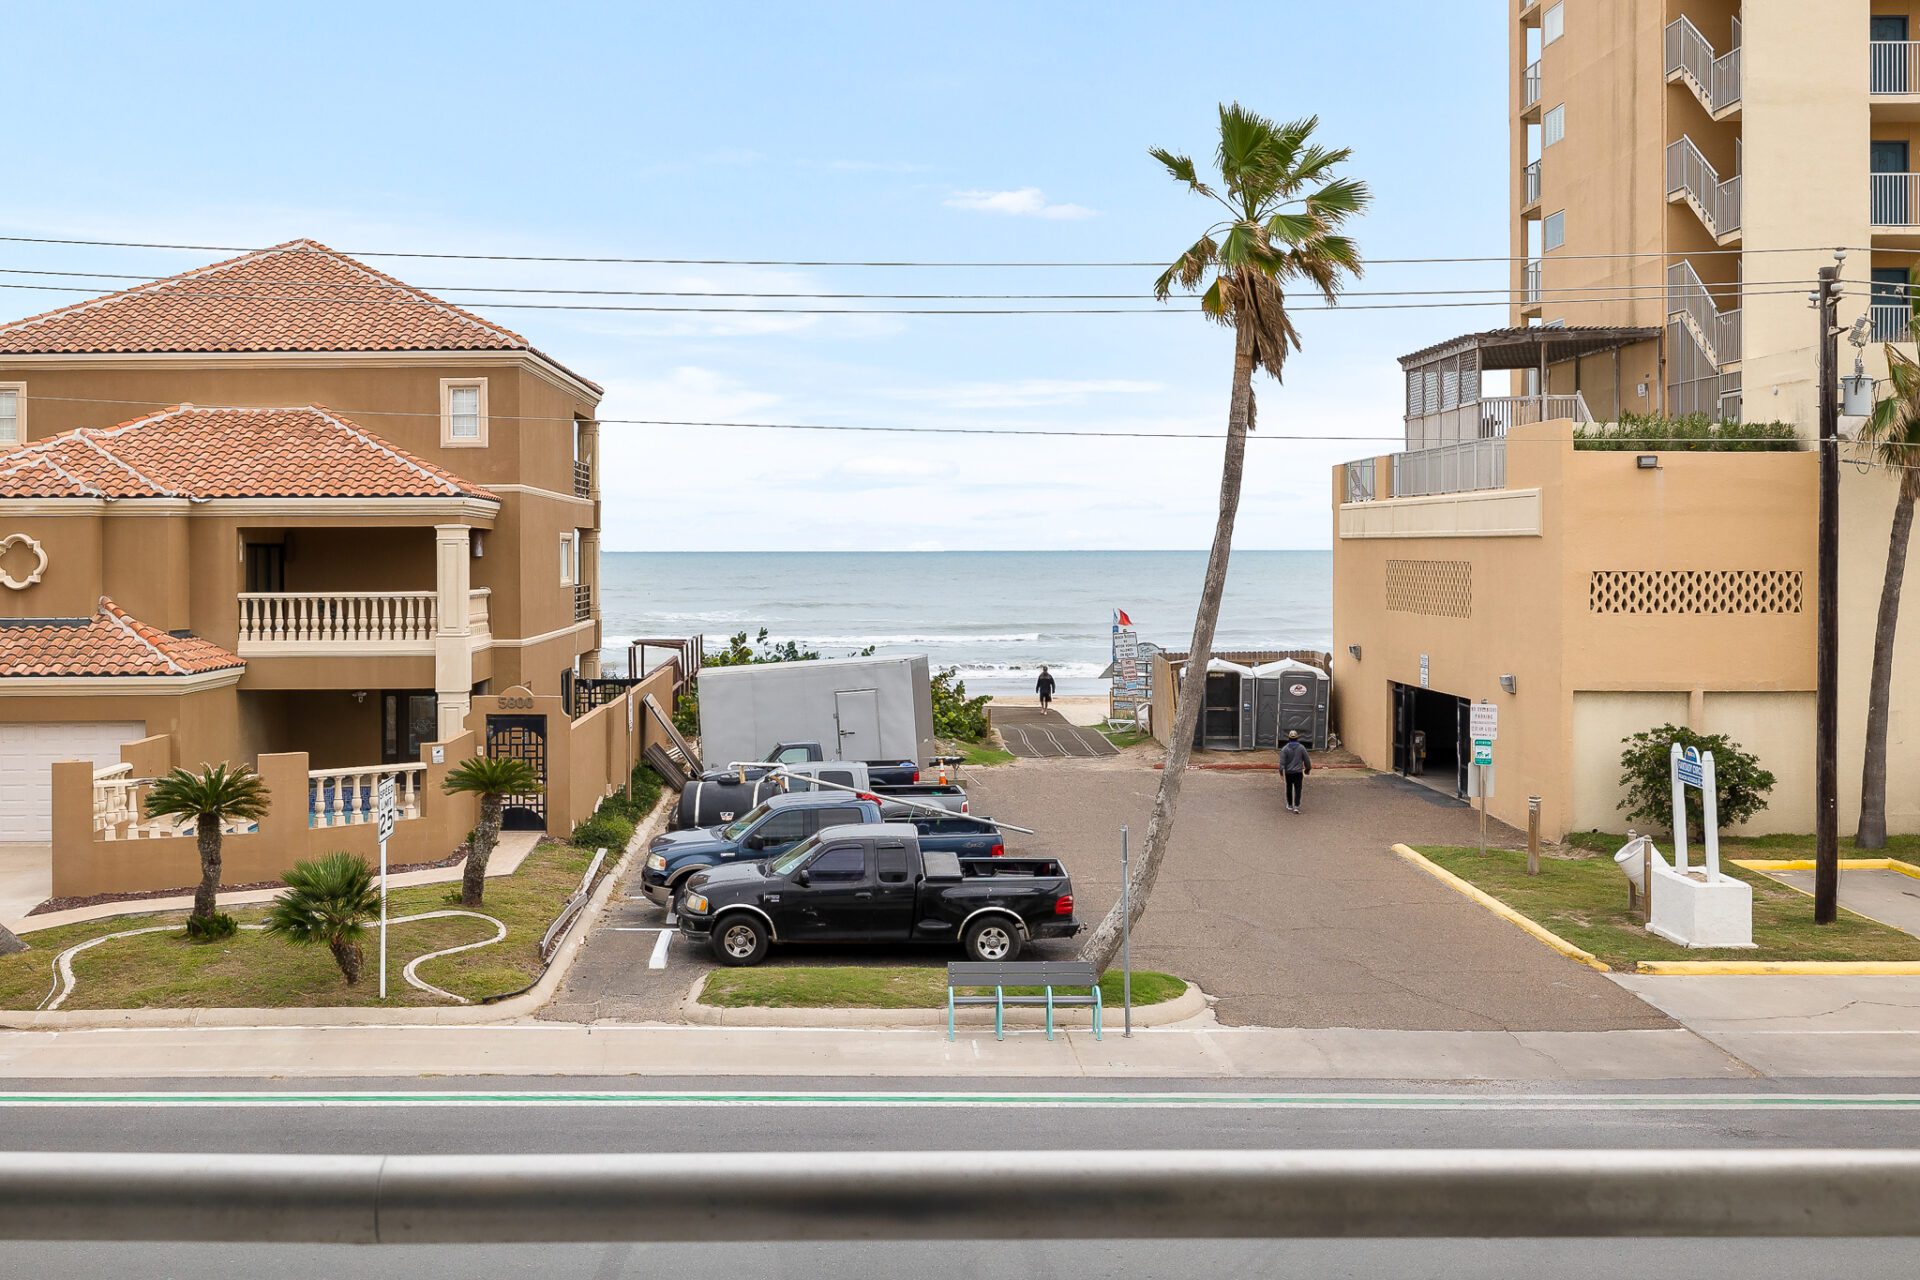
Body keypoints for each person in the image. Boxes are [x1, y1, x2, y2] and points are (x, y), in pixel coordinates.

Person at [1279, 729, 1312, 814]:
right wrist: (1307, 769)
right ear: (1297, 738)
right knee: (1298, 789)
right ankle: (1296, 806)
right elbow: (1307, 761)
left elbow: (1282, 763)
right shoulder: (1301, 748)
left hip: (1288, 773)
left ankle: (1289, 805)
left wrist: (1281, 773)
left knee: (1289, 788)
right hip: (1298, 773)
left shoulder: (1285, 749)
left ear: (1289, 738)